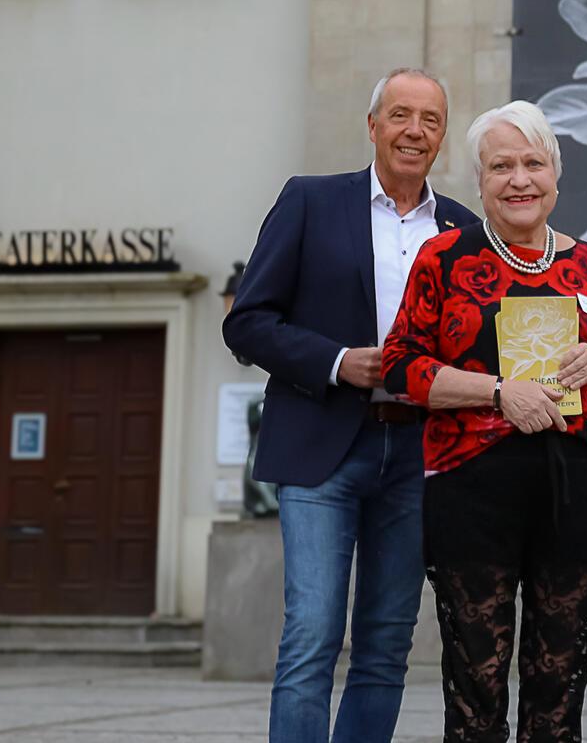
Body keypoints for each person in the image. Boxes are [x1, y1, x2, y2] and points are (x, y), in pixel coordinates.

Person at [224, 68, 477, 743]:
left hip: (419, 454)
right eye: (400, 115)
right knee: (312, 632)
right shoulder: (310, 202)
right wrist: (338, 363)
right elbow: (247, 321)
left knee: (388, 643)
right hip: (323, 446)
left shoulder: (462, 228)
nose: (414, 131)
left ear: (442, 137)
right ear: (372, 127)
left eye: (430, 120)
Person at [379, 100, 587, 743]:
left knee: (562, 673)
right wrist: (499, 393)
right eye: (502, 166)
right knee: (477, 671)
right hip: (473, 483)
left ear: (555, 174)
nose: (519, 179)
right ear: (480, 180)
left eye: (532, 164)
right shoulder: (443, 258)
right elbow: (398, 366)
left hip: (577, 484)